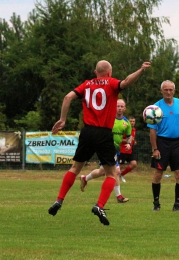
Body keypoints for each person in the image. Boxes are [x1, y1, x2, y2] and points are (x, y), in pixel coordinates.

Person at [48, 60, 151, 226]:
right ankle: (99, 206)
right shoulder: (111, 83)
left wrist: (62, 119)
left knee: (75, 168)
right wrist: (140, 70)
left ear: (96, 72)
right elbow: (126, 82)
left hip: (87, 131)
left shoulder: (87, 84)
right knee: (111, 173)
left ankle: (59, 200)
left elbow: (68, 97)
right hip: (104, 133)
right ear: (109, 73)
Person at [147, 80, 179, 212]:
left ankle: (177, 204)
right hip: (162, 143)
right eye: (165, 90)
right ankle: (156, 203)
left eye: (170, 89)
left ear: (174, 91)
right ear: (161, 91)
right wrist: (155, 148)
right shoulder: (155, 108)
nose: (168, 92)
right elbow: (152, 130)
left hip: (178, 143)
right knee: (158, 173)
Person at [79, 99, 132, 203]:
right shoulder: (108, 118)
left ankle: (85, 178)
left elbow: (129, 136)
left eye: (122, 106)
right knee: (116, 171)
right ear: (114, 107)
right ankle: (119, 197)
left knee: (102, 171)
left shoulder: (126, 123)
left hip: (115, 150)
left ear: (125, 108)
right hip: (105, 148)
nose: (120, 108)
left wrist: (129, 143)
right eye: (118, 106)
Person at [118, 116, 137, 183]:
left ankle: (122, 174)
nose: (132, 123)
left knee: (134, 164)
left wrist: (134, 142)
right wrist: (127, 141)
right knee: (119, 166)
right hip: (122, 150)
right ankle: (114, 178)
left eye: (133, 121)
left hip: (130, 151)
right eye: (131, 121)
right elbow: (120, 139)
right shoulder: (125, 129)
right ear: (128, 122)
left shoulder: (134, 130)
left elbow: (132, 139)